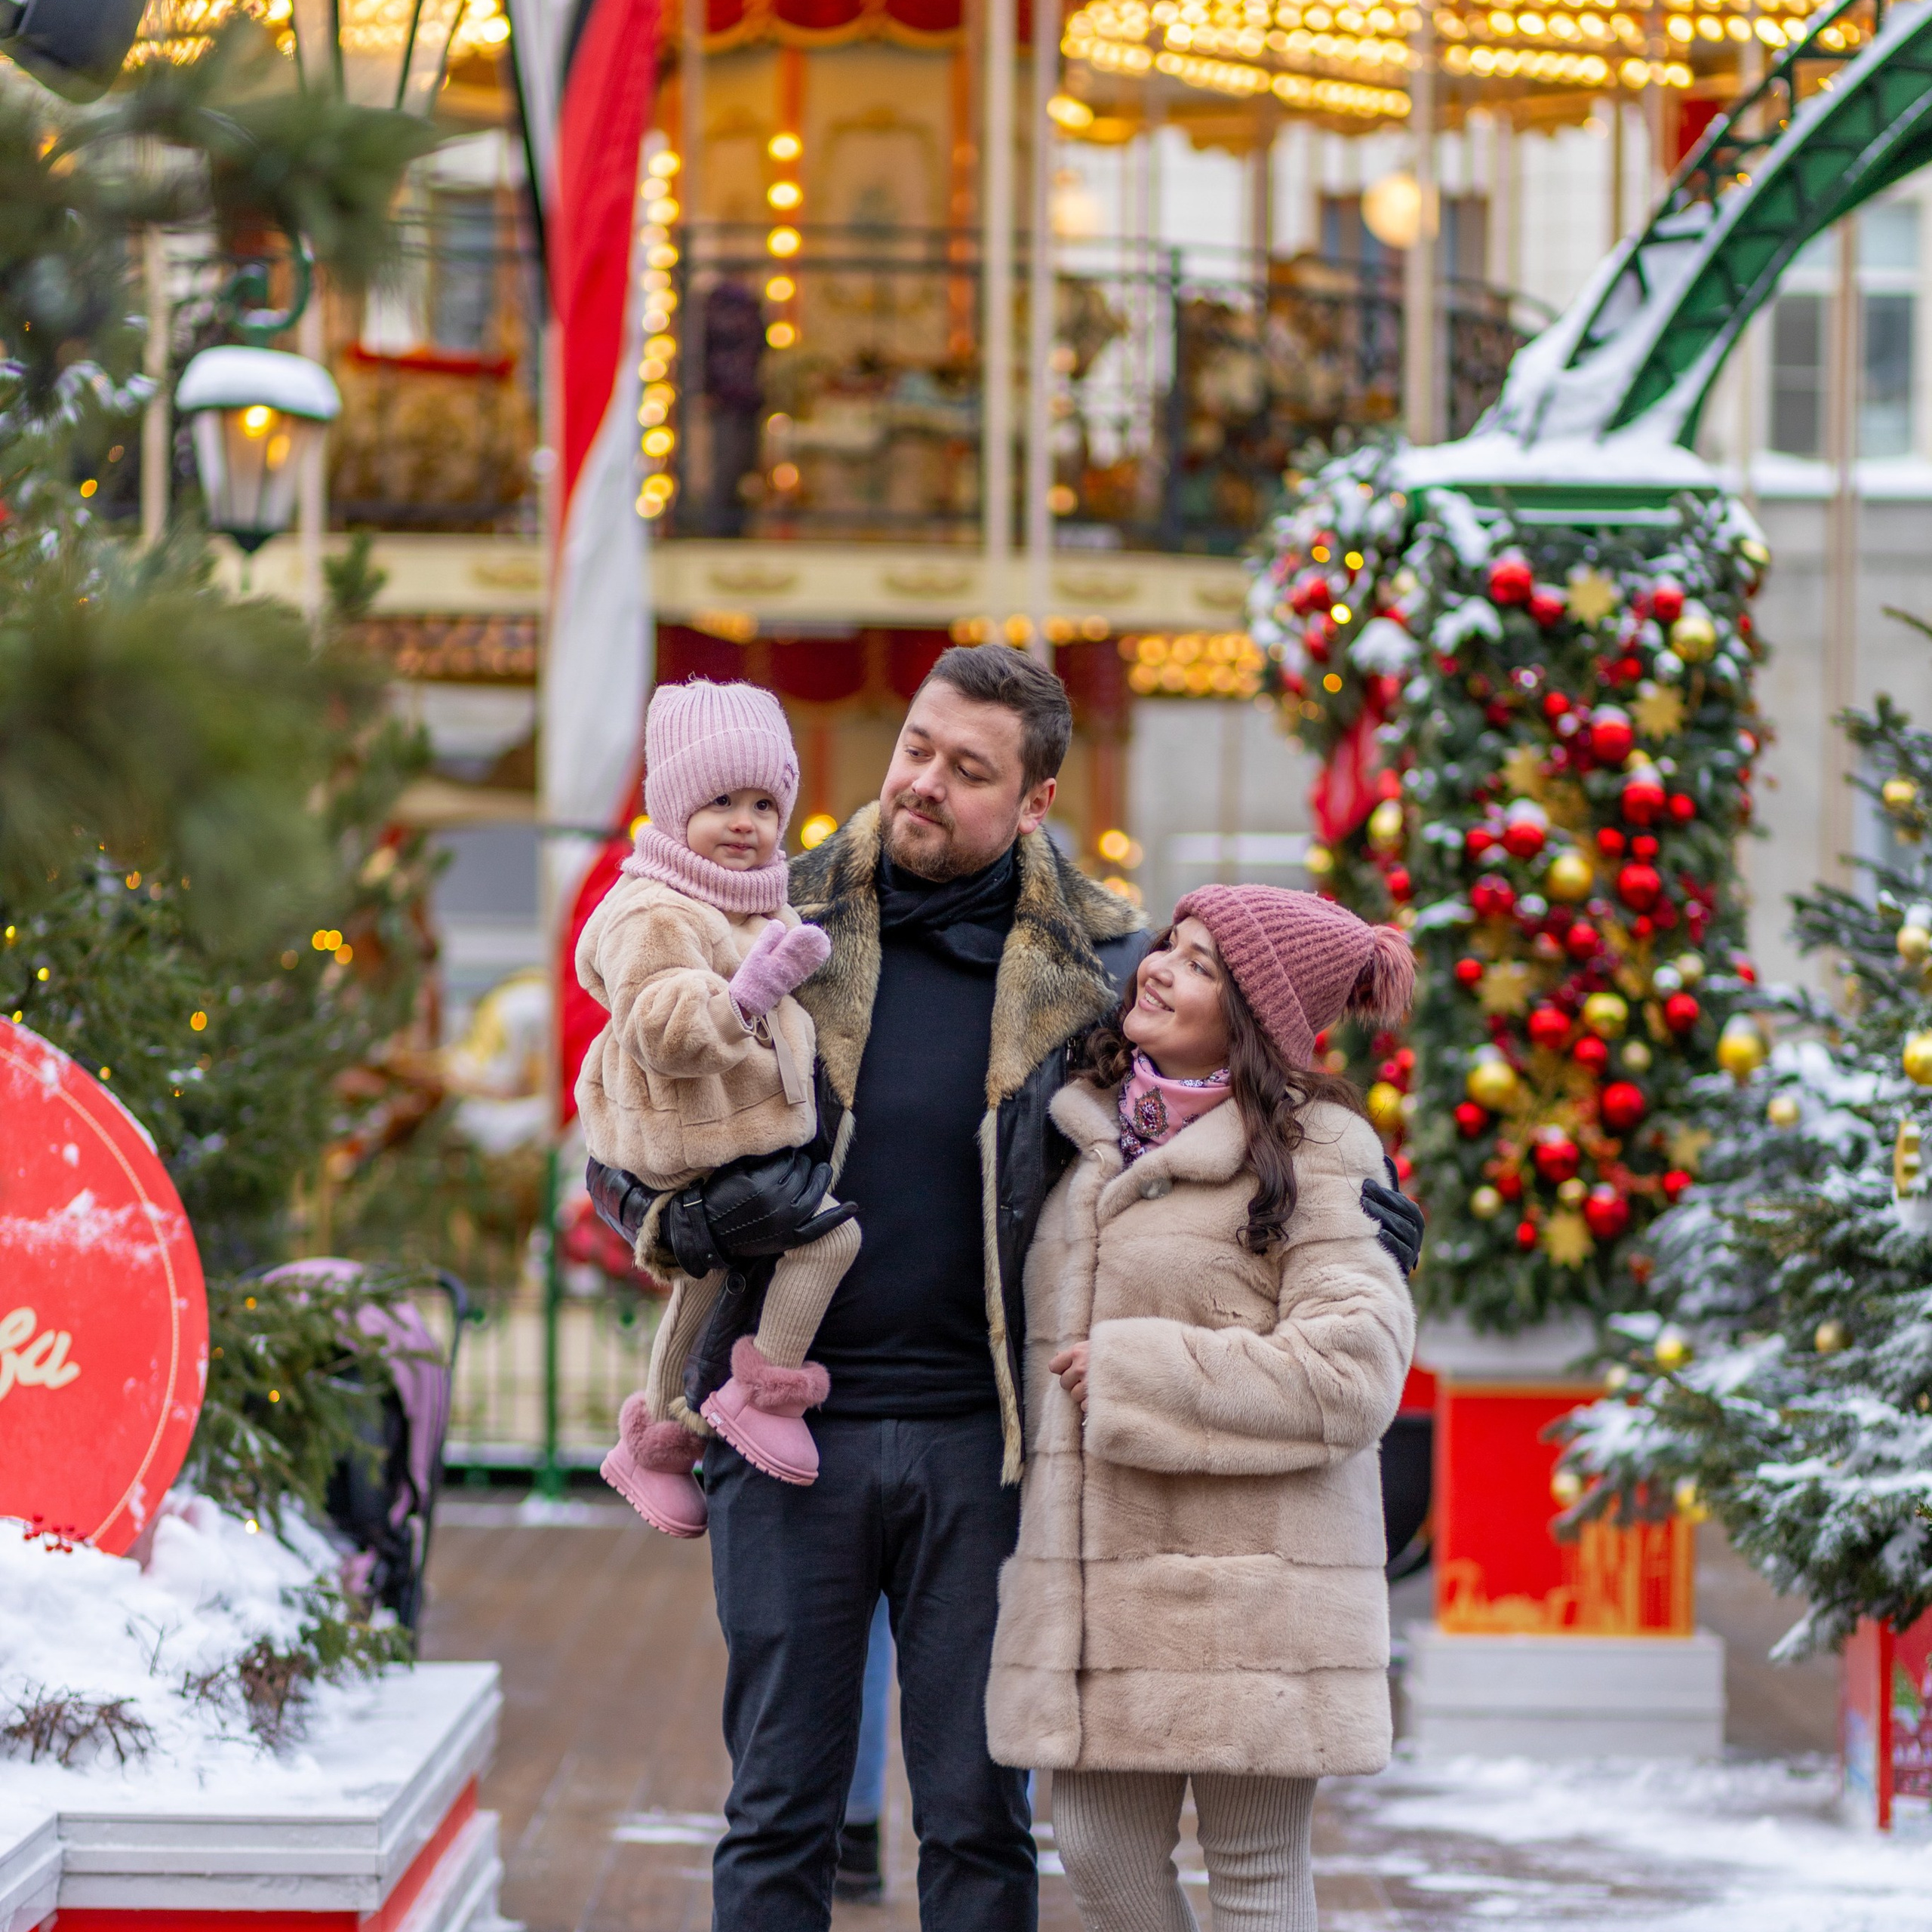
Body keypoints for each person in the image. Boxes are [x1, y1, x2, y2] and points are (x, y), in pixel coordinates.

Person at [583, 648, 1426, 1930]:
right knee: (778, 1811)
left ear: (1034, 801)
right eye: (916, 747)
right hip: (781, 1431)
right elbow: (618, 1113)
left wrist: (1363, 1205)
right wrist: (673, 1216)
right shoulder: (763, 914)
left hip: (998, 1448)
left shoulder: (1105, 962)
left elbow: (1234, 1102)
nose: (923, 782)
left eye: (968, 769)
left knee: (980, 1822)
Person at [986, 884, 1419, 1932]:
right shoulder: (1083, 1131)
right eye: (1169, 946)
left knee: (1255, 1874)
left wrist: (1138, 1372)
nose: (1158, 969)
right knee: (1097, 1852)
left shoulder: (1320, 1148)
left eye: (1201, 965)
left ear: (1255, 1015)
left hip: (1256, 1591)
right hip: (1106, 1590)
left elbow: (1352, 1369)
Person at [579, 678, 861, 1537]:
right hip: (688, 1135)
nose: (745, 823)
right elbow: (661, 1025)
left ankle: (657, 1442)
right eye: (720, 803)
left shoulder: (750, 899)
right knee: (830, 1236)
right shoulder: (655, 908)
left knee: (705, 1280)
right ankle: (764, 1390)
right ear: (674, 811)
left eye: (763, 805)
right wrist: (747, 996)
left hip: (725, 1133)